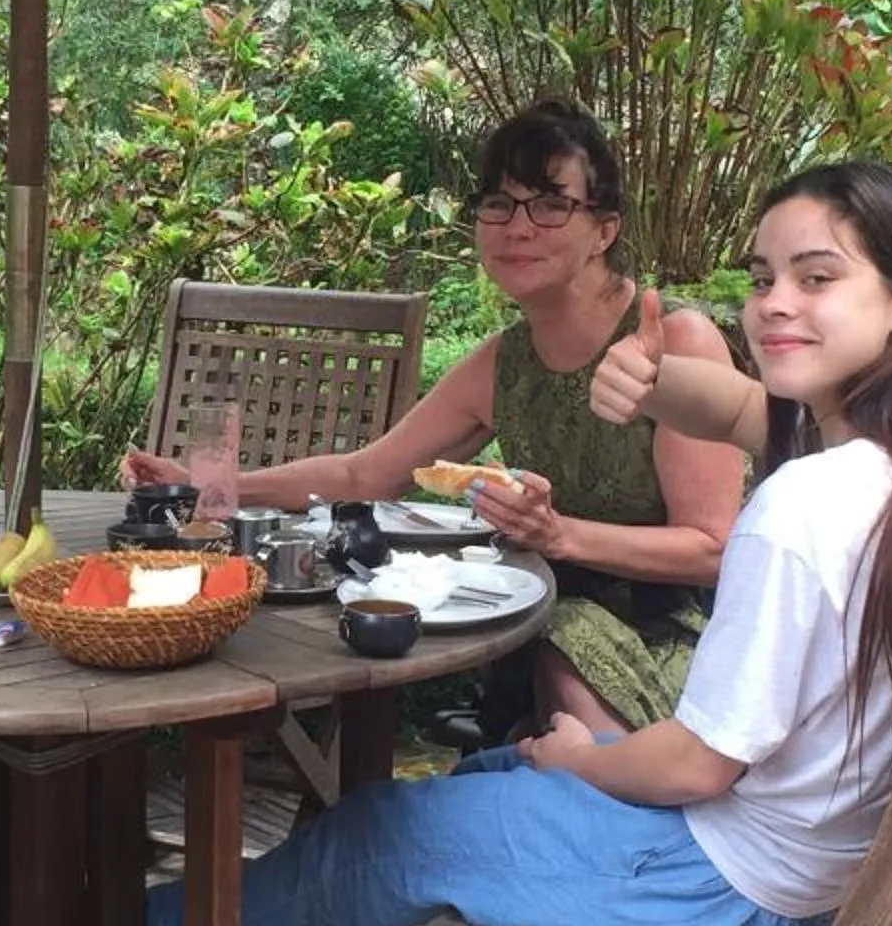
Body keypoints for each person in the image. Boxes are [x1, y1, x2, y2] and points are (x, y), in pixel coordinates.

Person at [144, 160, 892, 926]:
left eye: (817, 279)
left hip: (730, 904)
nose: (775, 306)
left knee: (389, 835)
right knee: (469, 792)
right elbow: (735, 409)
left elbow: (696, 765)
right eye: (762, 279)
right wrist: (646, 382)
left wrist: (581, 761)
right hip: (813, 884)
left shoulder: (807, 505)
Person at [127, 102, 744, 735]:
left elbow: (715, 550)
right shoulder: (504, 363)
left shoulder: (673, 341)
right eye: (499, 204)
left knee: (565, 656)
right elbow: (364, 475)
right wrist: (213, 488)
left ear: (605, 230)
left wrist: (559, 535)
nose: (517, 227)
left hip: (677, 646)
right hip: (536, 630)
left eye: (551, 203)